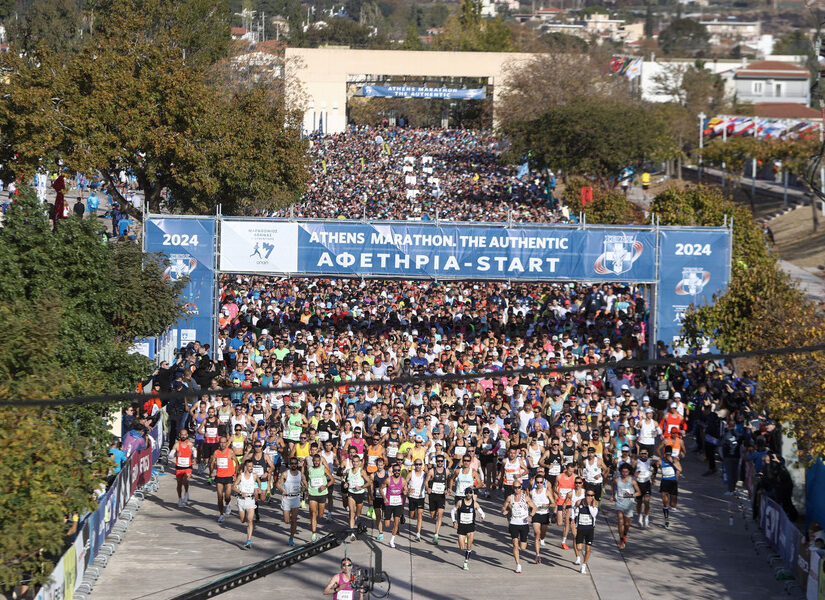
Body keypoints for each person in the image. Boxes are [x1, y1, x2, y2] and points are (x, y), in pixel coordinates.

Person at [502, 485, 536, 573]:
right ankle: (518, 565)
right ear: (513, 488)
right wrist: (504, 511)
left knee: (523, 547)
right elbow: (503, 507)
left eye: (519, 487)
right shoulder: (510, 497)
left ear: (521, 488)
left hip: (524, 523)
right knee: (515, 544)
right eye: (515, 487)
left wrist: (530, 516)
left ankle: (524, 542)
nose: (517, 489)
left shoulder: (526, 497)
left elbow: (534, 507)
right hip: (513, 523)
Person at [451, 487, 485, 571]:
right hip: (462, 526)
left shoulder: (475, 504)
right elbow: (452, 511)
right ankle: (464, 538)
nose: (468, 494)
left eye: (470, 493)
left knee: (469, 546)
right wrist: (454, 521)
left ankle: (465, 563)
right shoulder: (460, 502)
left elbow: (482, 513)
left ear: (472, 494)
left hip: (470, 526)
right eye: (467, 493)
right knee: (462, 547)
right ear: (465, 493)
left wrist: (482, 517)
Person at [277, 457, 307, 546]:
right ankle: (290, 526)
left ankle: (291, 538)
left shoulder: (300, 475)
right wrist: (282, 490)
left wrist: (304, 488)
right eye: (292, 463)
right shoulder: (285, 474)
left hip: (296, 498)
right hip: (286, 498)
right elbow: (278, 484)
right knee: (287, 521)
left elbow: (305, 484)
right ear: (290, 465)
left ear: (297, 464)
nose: (293, 465)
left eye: (295, 463)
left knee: (294, 520)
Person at [244, 441, 275, 522]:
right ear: (254, 447)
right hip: (254, 480)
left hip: (263, 480)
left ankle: (265, 496)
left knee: (262, 499)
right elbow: (243, 462)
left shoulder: (265, 456)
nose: (257, 447)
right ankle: (256, 514)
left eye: (259, 446)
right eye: (256, 446)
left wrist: (267, 473)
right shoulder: (251, 455)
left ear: (262, 447)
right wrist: (247, 452)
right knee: (255, 497)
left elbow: (272, 466)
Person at [233, 459, 260, 549]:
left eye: (252, 466)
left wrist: (257, 490)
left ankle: (248, 541)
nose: (251, 468)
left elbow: (259, 484)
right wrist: (240, 492)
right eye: (249, 466)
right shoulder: (241, 476)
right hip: (241, 500)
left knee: (250, 521)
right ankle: (243, 517)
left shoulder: (255, 476)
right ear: (245, 467)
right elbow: (233, 486)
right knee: (242, 520)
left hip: (250, 500)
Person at [307, 453, 334, 542]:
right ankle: (314, 534)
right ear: (313, 461)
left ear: (320, 461)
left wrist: (325, 486)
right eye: (315, 461)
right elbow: (307, 479)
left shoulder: (324, 469)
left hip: (322, 494)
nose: (316, 463)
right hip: (312, 494)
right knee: (313, 513)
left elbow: (332, 480)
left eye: (318, 461)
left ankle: (318, 519)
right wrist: (306, 488)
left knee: (320, 515)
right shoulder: (309, 469)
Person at [209, 436, 236, 523]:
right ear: (219, 443)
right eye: (221, 442)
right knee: (219, 497)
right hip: (219, 476)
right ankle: (221, 514)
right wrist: (211, 472)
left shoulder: (230, 452)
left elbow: (237, 462)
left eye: (224, 442)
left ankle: (227, 504)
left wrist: (235, 474)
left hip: (228, 476)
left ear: (227, 443)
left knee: (227, 496)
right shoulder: (216, 452)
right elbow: (212, 463)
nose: (223, 444)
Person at [614, 462, 641, 549]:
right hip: (619, 503)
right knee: (620, 521)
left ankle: (625, 534)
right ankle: (621, 539)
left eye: (626, 472)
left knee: (626, 524)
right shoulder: (617, 480)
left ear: (629, 472)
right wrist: (613, 495)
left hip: (629, 504)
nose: (624, 473)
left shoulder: (632, 481)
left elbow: (638, 492)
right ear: (621, 471)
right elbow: (612, 485)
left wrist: (631, 495)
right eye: (623, 472)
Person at [574, 487, 599, 574]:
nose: (590, 497)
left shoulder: (595, 504)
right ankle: (579, 557)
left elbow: (594, 514)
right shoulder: (579, 502)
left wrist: (589, 505)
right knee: (579, 548)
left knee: (588, 549)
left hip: (590, 529)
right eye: (588, 495)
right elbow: (574, 511)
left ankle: (584, 565)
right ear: (585, 495)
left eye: (592, 495)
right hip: (580, 528)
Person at [345, 455, 371, 539]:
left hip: (360, 493)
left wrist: (361, 487)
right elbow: (346, 481)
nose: (355, 463)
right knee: (351, 512)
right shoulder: (348, 471)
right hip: (351, 493)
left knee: (358, 513)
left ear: (359, 462)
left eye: (357, 461)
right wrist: (346, 484)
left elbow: (369, 482)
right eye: (353, 461)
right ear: (351, 462)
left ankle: (357, 519)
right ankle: (352, 533)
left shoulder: (362, 471)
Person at [169, 429, 196, 507]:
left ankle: (186, 492)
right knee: (179, 484)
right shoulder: (176, 445)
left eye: (185, 434)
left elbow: (195, 451)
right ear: (180, 435)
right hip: (179, 467)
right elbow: (170, 456)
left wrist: (194, 458)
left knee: (186, 479)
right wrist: (175, 454)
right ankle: (180, 499)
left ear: (187, 435)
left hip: (188, 466)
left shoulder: (190, 444)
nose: (183, 436)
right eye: (182, 434)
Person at [530, 472, 553, 563]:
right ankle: (537, 555)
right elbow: (528, 502)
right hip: (536, 515)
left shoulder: (546, 492)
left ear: (543, 483)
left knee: (542, 533)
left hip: (545, 514)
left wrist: (547, 505)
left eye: (541, 482)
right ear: (535, 483)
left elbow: (553, 503)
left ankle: (542, 539)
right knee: (537, 533)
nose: (539, 484)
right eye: (537, 482)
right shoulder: (532, 492)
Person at [426, 454, 450, 544]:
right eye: (438, 461)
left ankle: (436, 535)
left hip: (441, 496)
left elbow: (449, 481)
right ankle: (434, 513)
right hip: (433, 495)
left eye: (441, 461)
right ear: (436, 462)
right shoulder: (432, 471)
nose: (440, 462)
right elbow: (426, 481)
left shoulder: (446, 471)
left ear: (443, 462)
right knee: (433, 516)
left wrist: (448, 489)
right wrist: (427, 488)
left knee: (440, 515)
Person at [658, 444, 682, 529]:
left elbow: (680, 469)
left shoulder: (675, 460)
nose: (668, 455)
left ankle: (671, 507)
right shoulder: (661, 460)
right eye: (666, 454)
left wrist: (672, 462)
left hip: (673, 482)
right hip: (664, 481)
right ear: (665, 453)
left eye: (669, 454)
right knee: (665, 502)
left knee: (673, 504)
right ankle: (666, 519)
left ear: (671, 453)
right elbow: (655, 467)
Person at [382, 463, 405, 549]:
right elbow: (381, 488)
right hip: (389, 503)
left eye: (398, 470)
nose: (397, 472)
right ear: (392, 471)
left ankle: (392, 540)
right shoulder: (388, 480)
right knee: (387, 525)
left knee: (396, 523)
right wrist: (384, 497)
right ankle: (389, 519)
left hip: (398, 504)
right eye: (395, 470)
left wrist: (406, 492)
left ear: (400, 471)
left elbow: (405, 490)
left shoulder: (403, 481)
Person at [555, 461, 577, 550]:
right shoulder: (559, 476)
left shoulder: (575, 477)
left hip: (569, 502)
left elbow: (578, 489)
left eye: (572, 471)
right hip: (560, 501)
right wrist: (557, 492)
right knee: (560, 523)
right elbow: (555, 487)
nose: (570, 473)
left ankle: (564, 541)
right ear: (566, 469)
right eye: (569, 471)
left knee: (567, 522)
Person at [406, 459, 427, 542]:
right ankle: (411, 513)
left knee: (420, 515)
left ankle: (418, 533)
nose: (418, 466)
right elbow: (405, 482)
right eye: (416, 464)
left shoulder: (424, 474)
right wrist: (408, 489)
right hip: (412, 497)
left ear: (422, 465)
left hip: (421, 497)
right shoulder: (411, 473)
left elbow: (430, 478)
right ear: (414, 465)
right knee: (411, 515)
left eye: (419, 464)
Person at [632, 446, 654, 528]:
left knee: (647, 501)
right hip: (638, 484)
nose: (643, 455)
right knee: (639, 502)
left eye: (645, 453)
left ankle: (646, 518)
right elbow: (631, 471)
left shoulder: (650, 461)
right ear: (640, 454)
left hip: (647, 483)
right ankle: (640, 516)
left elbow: (654, 469)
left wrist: (653, 476)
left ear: (647, 454)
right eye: (642, 453)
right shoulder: (636, 461)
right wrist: (635, 475)